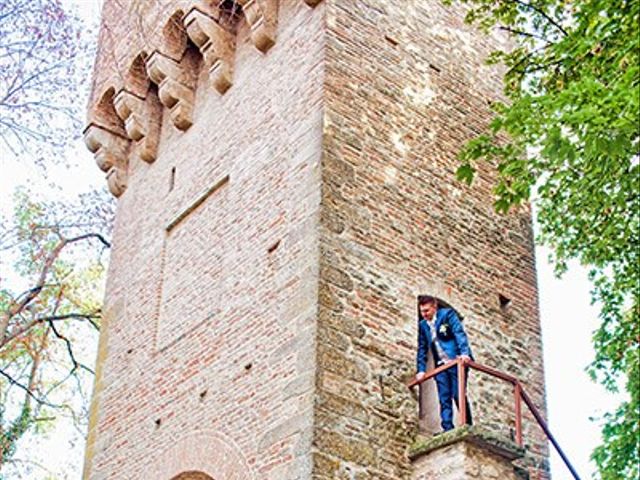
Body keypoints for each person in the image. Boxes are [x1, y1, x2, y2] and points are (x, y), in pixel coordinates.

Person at [416, 295, 473, 432]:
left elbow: (459, 333)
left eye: (427, 311)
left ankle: (467, 424)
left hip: (456, 361)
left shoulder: (447, 315)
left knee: (457, 393)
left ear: (435, 307)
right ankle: (447, 428)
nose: (424, 315)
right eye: (422, 311)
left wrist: (464, 353)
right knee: (444, 396)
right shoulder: (423, 326)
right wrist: (421, 369)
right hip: (441, 364)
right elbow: (422, 348)